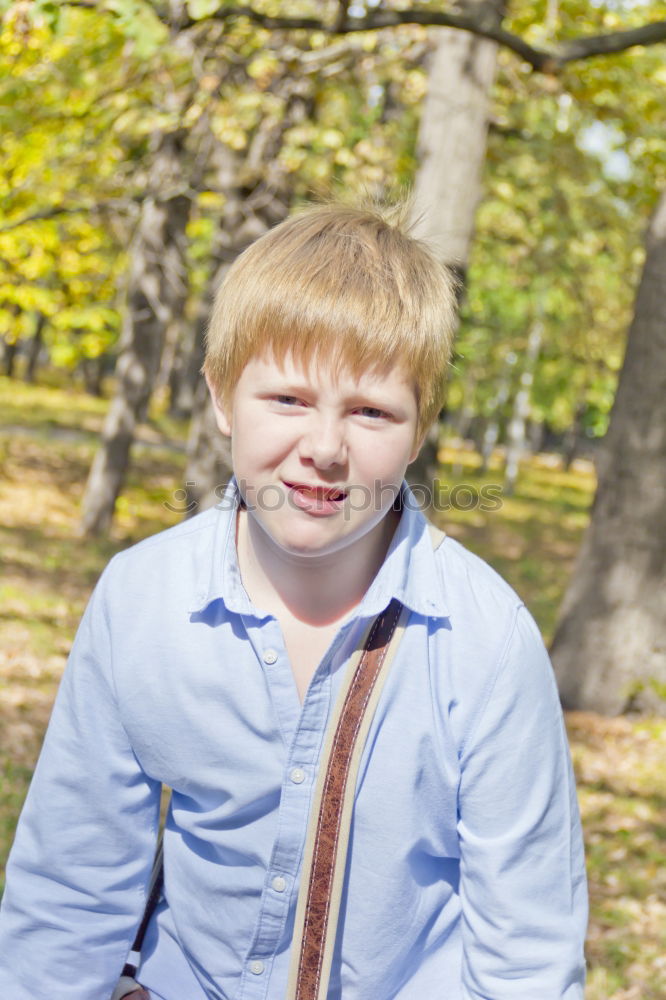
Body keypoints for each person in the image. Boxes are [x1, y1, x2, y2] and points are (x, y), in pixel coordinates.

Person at [0, 203, 587, 999]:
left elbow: (527, 953)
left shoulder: (486, 640)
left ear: (420, 432)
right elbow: (71, 886)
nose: (324, 448)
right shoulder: (141, 601)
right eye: (287, 399)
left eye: (372, 412)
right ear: (219, 398)